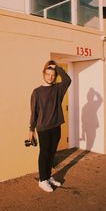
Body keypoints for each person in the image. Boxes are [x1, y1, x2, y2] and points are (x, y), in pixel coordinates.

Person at [29, 60, 71, 192]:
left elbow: (67, 80)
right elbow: (34, 112)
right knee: (44, 153)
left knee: (52, 153)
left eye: (53, 74)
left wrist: (57, 67)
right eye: (48, 74)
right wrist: (31, 129)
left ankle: (47, 177)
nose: (50, 77)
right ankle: (42, 180)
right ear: (43, 74)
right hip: (43, 128)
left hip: (56, 126)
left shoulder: (58, 89)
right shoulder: (37, 92)